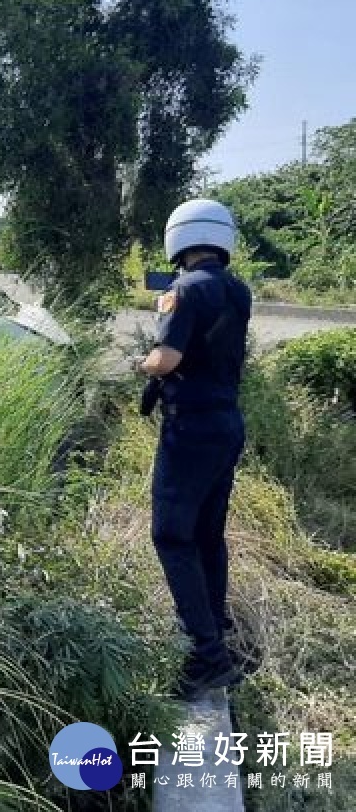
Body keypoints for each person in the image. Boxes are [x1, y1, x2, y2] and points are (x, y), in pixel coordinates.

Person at [135, 198, 252, 701]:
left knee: (170, 535)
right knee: (208, 533)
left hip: (190, 433)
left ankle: (207, 656)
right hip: (226, 424)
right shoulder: (237, 290)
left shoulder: (181, 290)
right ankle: (215, 622)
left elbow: (167, 358)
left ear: (177, 239)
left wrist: (142, 365)